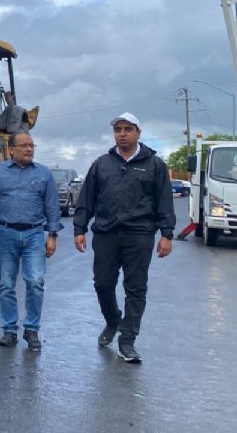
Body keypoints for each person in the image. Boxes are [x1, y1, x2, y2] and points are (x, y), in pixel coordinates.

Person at [73, 112, 175, 364]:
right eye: (118, 129)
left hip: (140, 235)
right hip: (107, 233)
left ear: (138, 132)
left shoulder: (154, 165)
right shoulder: (101, 164)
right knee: (102, 284)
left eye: (128, 129)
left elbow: (164, 201)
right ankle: (112, 320)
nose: (122, 134)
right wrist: (79, 229)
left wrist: (167, 234)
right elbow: (86, 199)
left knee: (136, 288)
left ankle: (127, 340)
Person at [0, 131, 61, 351]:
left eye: (32, 145)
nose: (29, 149)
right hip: (5, 233)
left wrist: (52, 236)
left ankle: (32, 329)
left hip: (34, 234)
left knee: (35, 281)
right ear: (11, 149)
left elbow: (52, 207)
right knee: (6, 283)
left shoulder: (44, 174)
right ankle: (9, 330)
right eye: (24, 145)